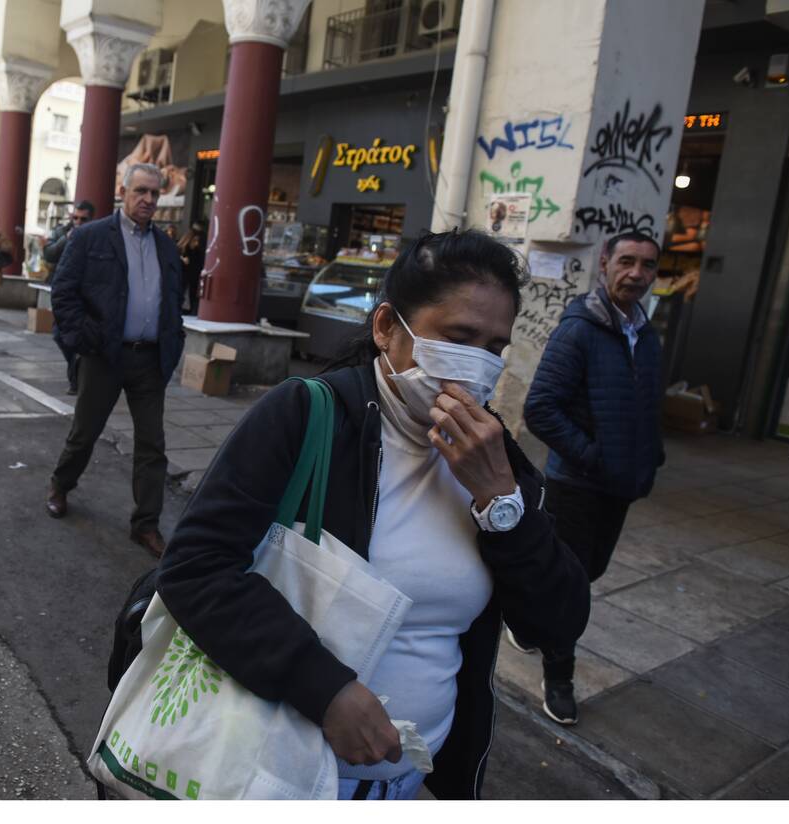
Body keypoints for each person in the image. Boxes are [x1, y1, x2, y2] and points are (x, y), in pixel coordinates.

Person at [155, 230, 589, 800]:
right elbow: (195, 568)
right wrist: (324, 688)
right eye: (458, 337)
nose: (477, 365)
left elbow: (556, 625)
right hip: (271, 773)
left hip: (411, 781)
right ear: (387, 328)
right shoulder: (307, 415)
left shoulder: (496, 455)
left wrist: (501, 503)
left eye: (494, 348)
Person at [521, 230, 665, 726]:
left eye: (647, 266)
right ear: (604, 263)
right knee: (573, 586)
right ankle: (559, 676)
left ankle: (527, 616)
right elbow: (540, 409)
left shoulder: (644, 333)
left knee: (591, 571)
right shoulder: (580, 329)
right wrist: (593, 457)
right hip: (578, 483)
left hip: (621, 483)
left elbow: (646, 407)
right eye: (627, 261)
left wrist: (651, 457)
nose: (636, 274)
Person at [47, 164, 185, 558]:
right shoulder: (91, 237)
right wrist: (85, 338)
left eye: (155, 194)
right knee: (85, 432)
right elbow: (64, 292)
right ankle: (60, 484)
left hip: (150, 359)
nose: (148, 200)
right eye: (141, 191)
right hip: (105, 355)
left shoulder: (164, 245)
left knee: (152, 445)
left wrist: (173, 341)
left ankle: (145, 524)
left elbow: (173, 300)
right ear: (123, 191)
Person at [43, 201, 95, 394]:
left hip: (86, 294)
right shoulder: (62, 232)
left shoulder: (96, 235)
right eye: (76, 218)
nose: (78, 222)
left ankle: (77, 382)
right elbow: (48, 253)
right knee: (59, 335)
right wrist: (67, 237)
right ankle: (77, 375)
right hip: (65, 293)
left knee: (81, 337)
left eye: (83, 219)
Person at [177, 221, 206, 314]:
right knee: (190, 291)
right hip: (191, 271)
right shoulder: (191, 244)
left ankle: (186, 308)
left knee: (187, 290)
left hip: (189, 271)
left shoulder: (186, 242)